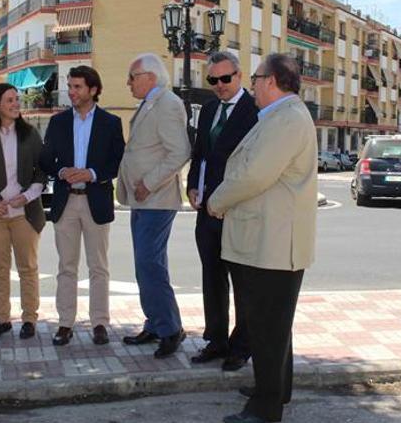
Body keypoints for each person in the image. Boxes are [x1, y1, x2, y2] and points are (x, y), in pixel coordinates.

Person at [207, 54, 317, 423]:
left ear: (271, 80)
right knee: (273, 326)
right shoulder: (279, 116)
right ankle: (275, 390)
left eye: (254, 79)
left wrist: (216, 201)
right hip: (267, 241)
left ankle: (265, 410)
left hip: (271, 245)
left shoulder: (287, 119)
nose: (251, 86)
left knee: (267, 329)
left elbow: (255, 175)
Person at [40, 66, 125, 346]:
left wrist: (92, 173)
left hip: (96, 200)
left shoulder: (111, 123)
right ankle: (65, 324)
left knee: (98, 266)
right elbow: (46, 160)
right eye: (70, 86)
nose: (71, 92)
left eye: (77, 87)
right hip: (66, 201)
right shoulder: (58, 122)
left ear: (93, 90)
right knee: (66, 266)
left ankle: (100, 322)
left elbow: (117, 162)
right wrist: (62, 171)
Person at [186, 51, 257, 372]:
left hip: (238, 210)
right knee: (212, 278)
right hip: (206, 210)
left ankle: (242, 346)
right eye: (212, 80)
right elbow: (200, 153)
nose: (219, 85)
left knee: (242, 282)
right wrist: (191, 184)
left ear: (239, 76)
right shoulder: (210, 109)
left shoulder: (255, 110)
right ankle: (216, 340)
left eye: (225, 79)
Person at [117, 53, 190, 359]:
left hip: (156, 199)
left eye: (132, 77)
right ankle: (156, 323)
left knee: (150, 264)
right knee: (145, 264)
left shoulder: (168, 104)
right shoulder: (151, 103)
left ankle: (171, 329)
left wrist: (148, 182)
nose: (128, 83)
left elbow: (180, 152)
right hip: (143, 200)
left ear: (149, 76)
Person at [0, 83, 47, 339]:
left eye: (17, 99)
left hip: (25, 214)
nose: (15, 104)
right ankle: (2, 319)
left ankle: (29, 319)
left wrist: (26, 196)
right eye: (9, 100)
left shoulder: (30, 134)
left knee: (28, 267)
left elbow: (41, 172)